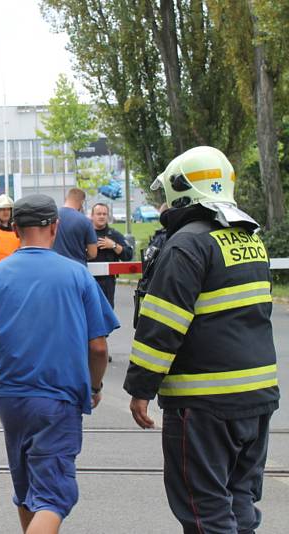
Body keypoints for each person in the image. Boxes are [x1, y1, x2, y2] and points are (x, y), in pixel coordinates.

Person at [0, 194, 118, 534]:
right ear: (55, 226)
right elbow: (97, 347)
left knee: (27, 493)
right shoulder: (77, 276)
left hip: (9, 397)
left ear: (17, 229)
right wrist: (94, 387)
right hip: (58, 397)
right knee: (55, 498)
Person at [124, 146, 279, 533]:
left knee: (204, 511)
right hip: (257, 399)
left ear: (182, 187)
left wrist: (140, 389)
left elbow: (162, 326)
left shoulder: (186, 244)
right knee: (239, 500)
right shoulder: (249, 238)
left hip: (204, 405)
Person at [88, 202, 133, 308]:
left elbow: (128, 255)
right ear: (92, 216)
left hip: (107, 282)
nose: (102, 216)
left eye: (104, 214)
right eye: (98, 214)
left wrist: (113, 245)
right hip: (88, 280)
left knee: (106, 314)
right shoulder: (85, 234)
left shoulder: (114, 235)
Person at [52, 188, 97, 265]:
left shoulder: (51, 217)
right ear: (82, 202)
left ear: (66, 198)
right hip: (77, 267)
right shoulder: (85, 221)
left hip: (55, 266)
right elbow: (93, 253)